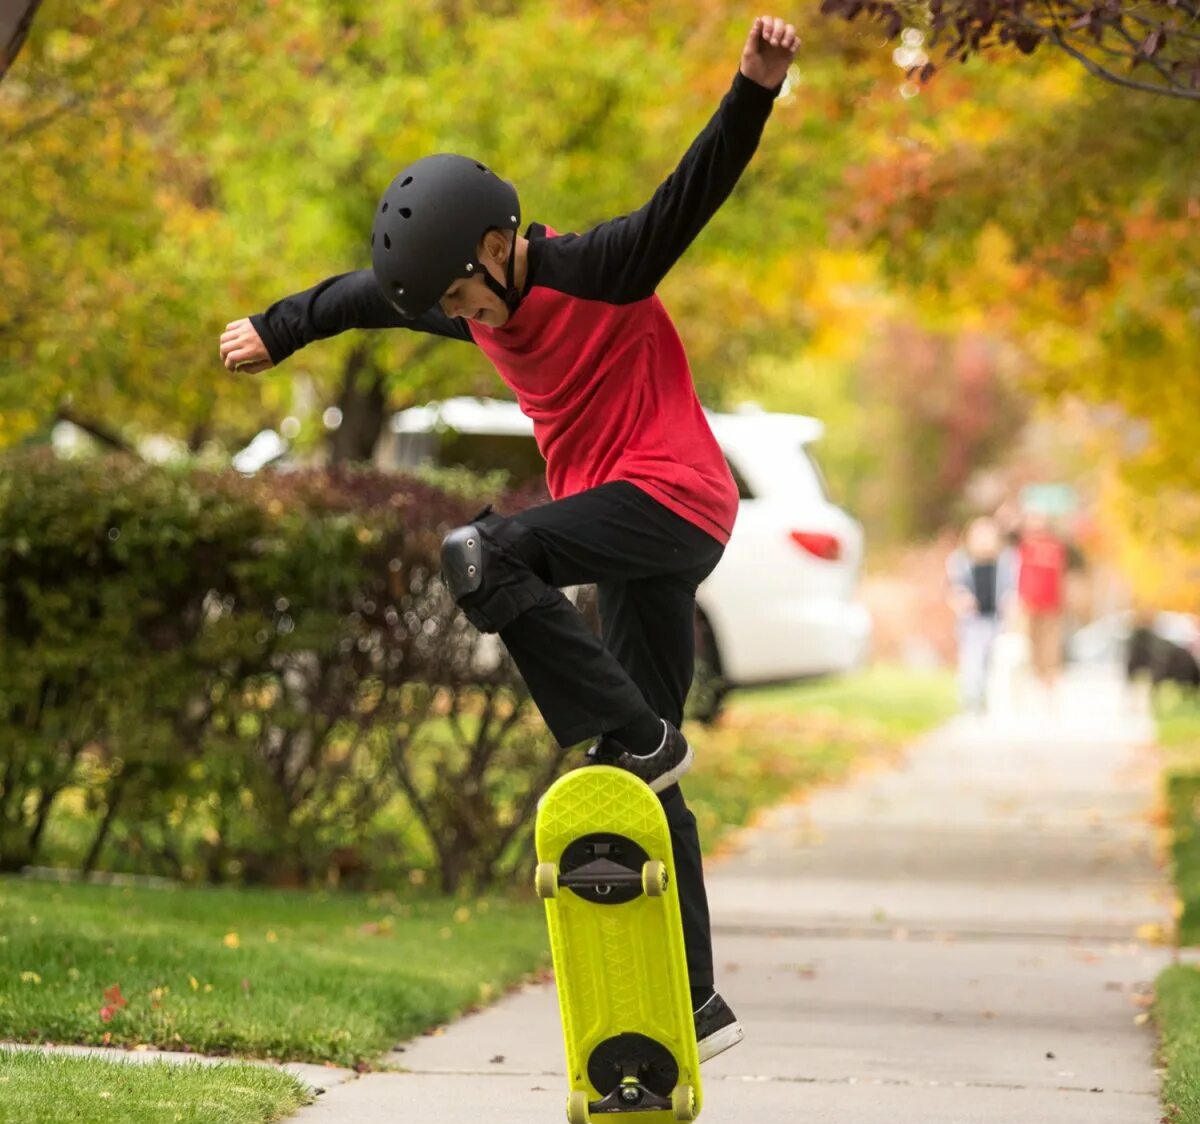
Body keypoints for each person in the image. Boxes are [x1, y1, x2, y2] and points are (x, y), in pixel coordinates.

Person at [218, 15, 802, 1063]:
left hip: (672, 498)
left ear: (497, 245)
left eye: (459, 293)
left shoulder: (608, 267)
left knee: (485, 555)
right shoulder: (473, 303)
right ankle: (697, 998)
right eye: (445, 306)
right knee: (644, 781)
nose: (459, 317)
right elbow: (362, 297)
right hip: (641, 538)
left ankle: (633, 733)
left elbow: (694, 187)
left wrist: (753, 86)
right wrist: (281, 325)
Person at [945, 516, 1018, 714]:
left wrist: (1010, 604)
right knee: (972, 659)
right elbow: (954, 588)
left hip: (998, 620)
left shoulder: (1007, 561)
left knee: (996, 662)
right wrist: (962, 599)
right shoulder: (959, 561)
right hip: (973, 621)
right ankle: (972, 699)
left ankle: (994, 700)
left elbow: (1012, 588)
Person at [1017, 510, 1068, 696]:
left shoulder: (1055, 547)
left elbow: (1061, 576)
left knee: (1050, 648)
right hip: (1028, 605)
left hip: (1051, 606)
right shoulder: (1024, 546)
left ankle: (1049, 686)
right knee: (1027, 645)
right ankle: (1031, 682)